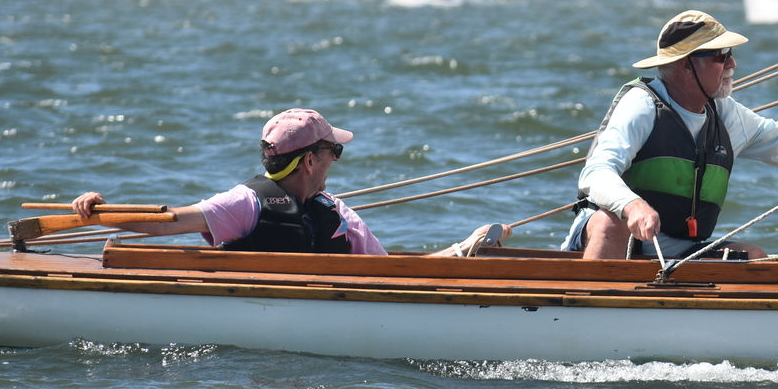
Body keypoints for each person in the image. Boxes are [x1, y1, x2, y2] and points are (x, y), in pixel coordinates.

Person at [563, 11, 778, 261]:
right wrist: (634, 207)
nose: (732, 64)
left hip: (682, 252)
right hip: (616, 243)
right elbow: (596, 174)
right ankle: (591, 313)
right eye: (722, 56)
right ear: (686, 65)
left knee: (754, 257)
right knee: (610, 224)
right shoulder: (642, 105)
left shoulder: (727, 114)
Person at [72, 108, 505, 256]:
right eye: (334, 151)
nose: (336, 160)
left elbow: (387, 271)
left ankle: (459, 251)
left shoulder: (338, 215)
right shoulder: (247, 203)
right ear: (310, 160)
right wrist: (97, 213)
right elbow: (167, 223)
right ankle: (460, 251)